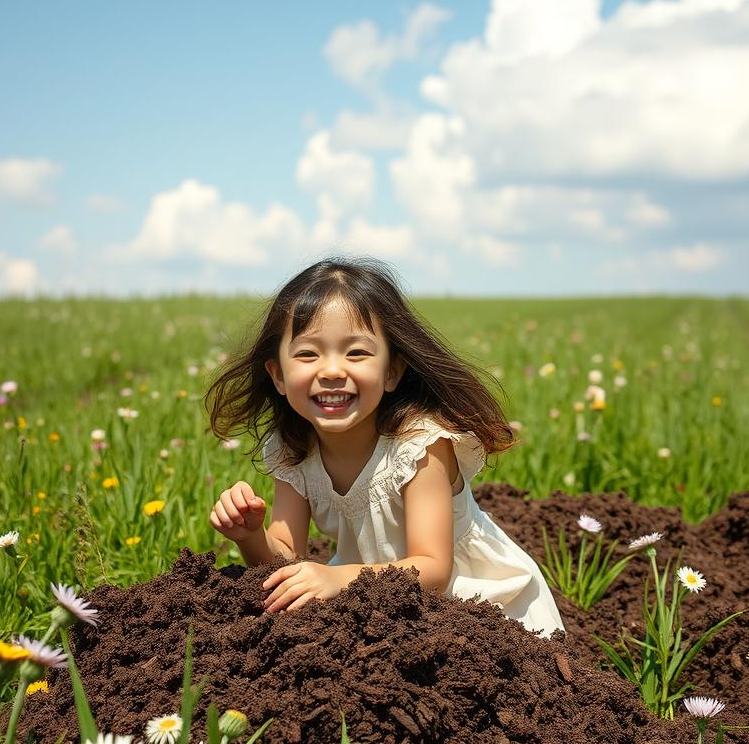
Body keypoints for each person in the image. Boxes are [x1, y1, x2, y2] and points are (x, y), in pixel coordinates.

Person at [204, 257, 564, 637]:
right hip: (378, 600)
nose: (330, 371)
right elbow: (285, 559)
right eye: (307, 354)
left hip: (479, 604)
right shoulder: (294, 450)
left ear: (392, 370)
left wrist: (338, 578)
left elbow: (434, 569)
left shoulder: (419, 445)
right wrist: (251, 536)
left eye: (356, 353)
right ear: (277, 375)